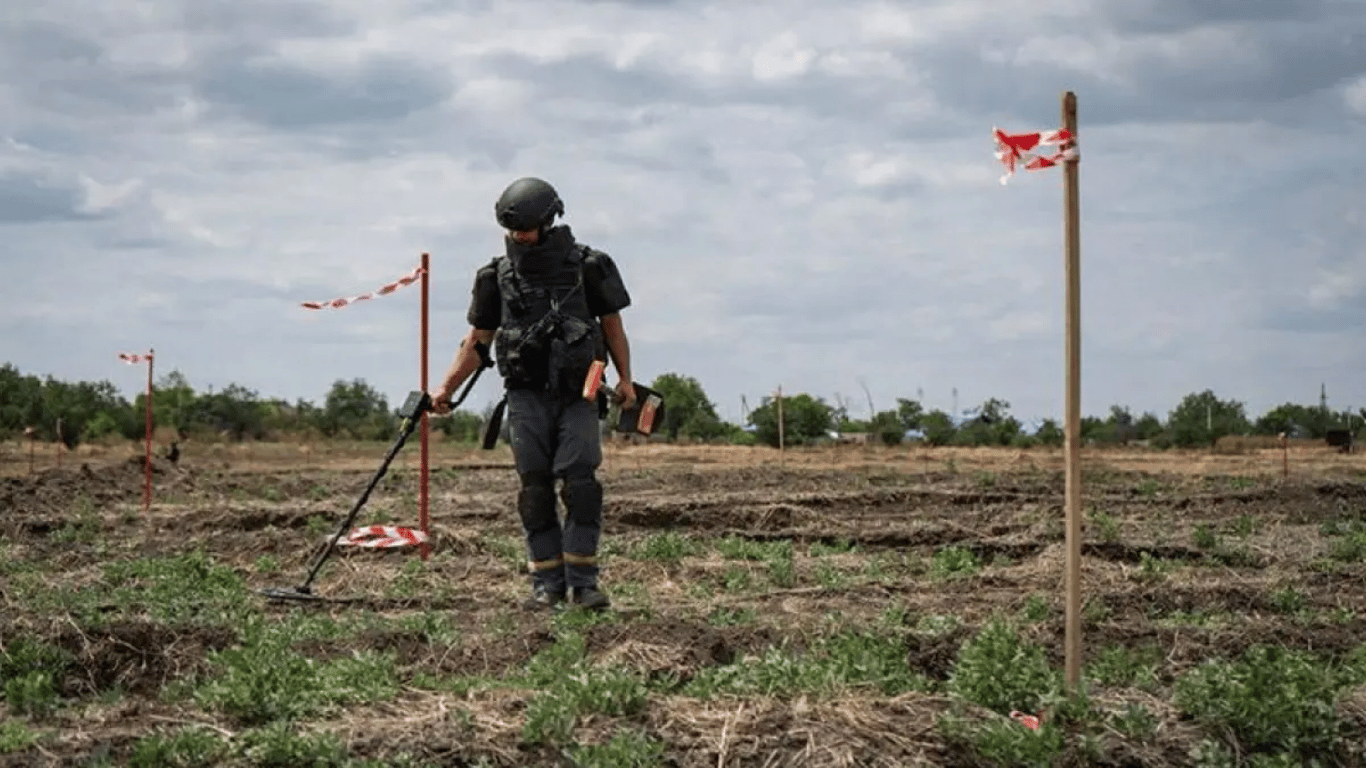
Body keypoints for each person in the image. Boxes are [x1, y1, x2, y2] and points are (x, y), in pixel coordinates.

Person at [431, 177, 635, 611]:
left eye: (526, 227)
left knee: (581, 483)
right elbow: (477, 341)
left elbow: (613, 327)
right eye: (512, 229)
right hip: (525, 396)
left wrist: (626, 379)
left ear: (549, 221)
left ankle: (584, 584)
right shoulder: (496, 277)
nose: (519, 236)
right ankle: (546, 586)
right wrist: (445, 388)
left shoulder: (588, 266)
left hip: (580, 395)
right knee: (534, 488)